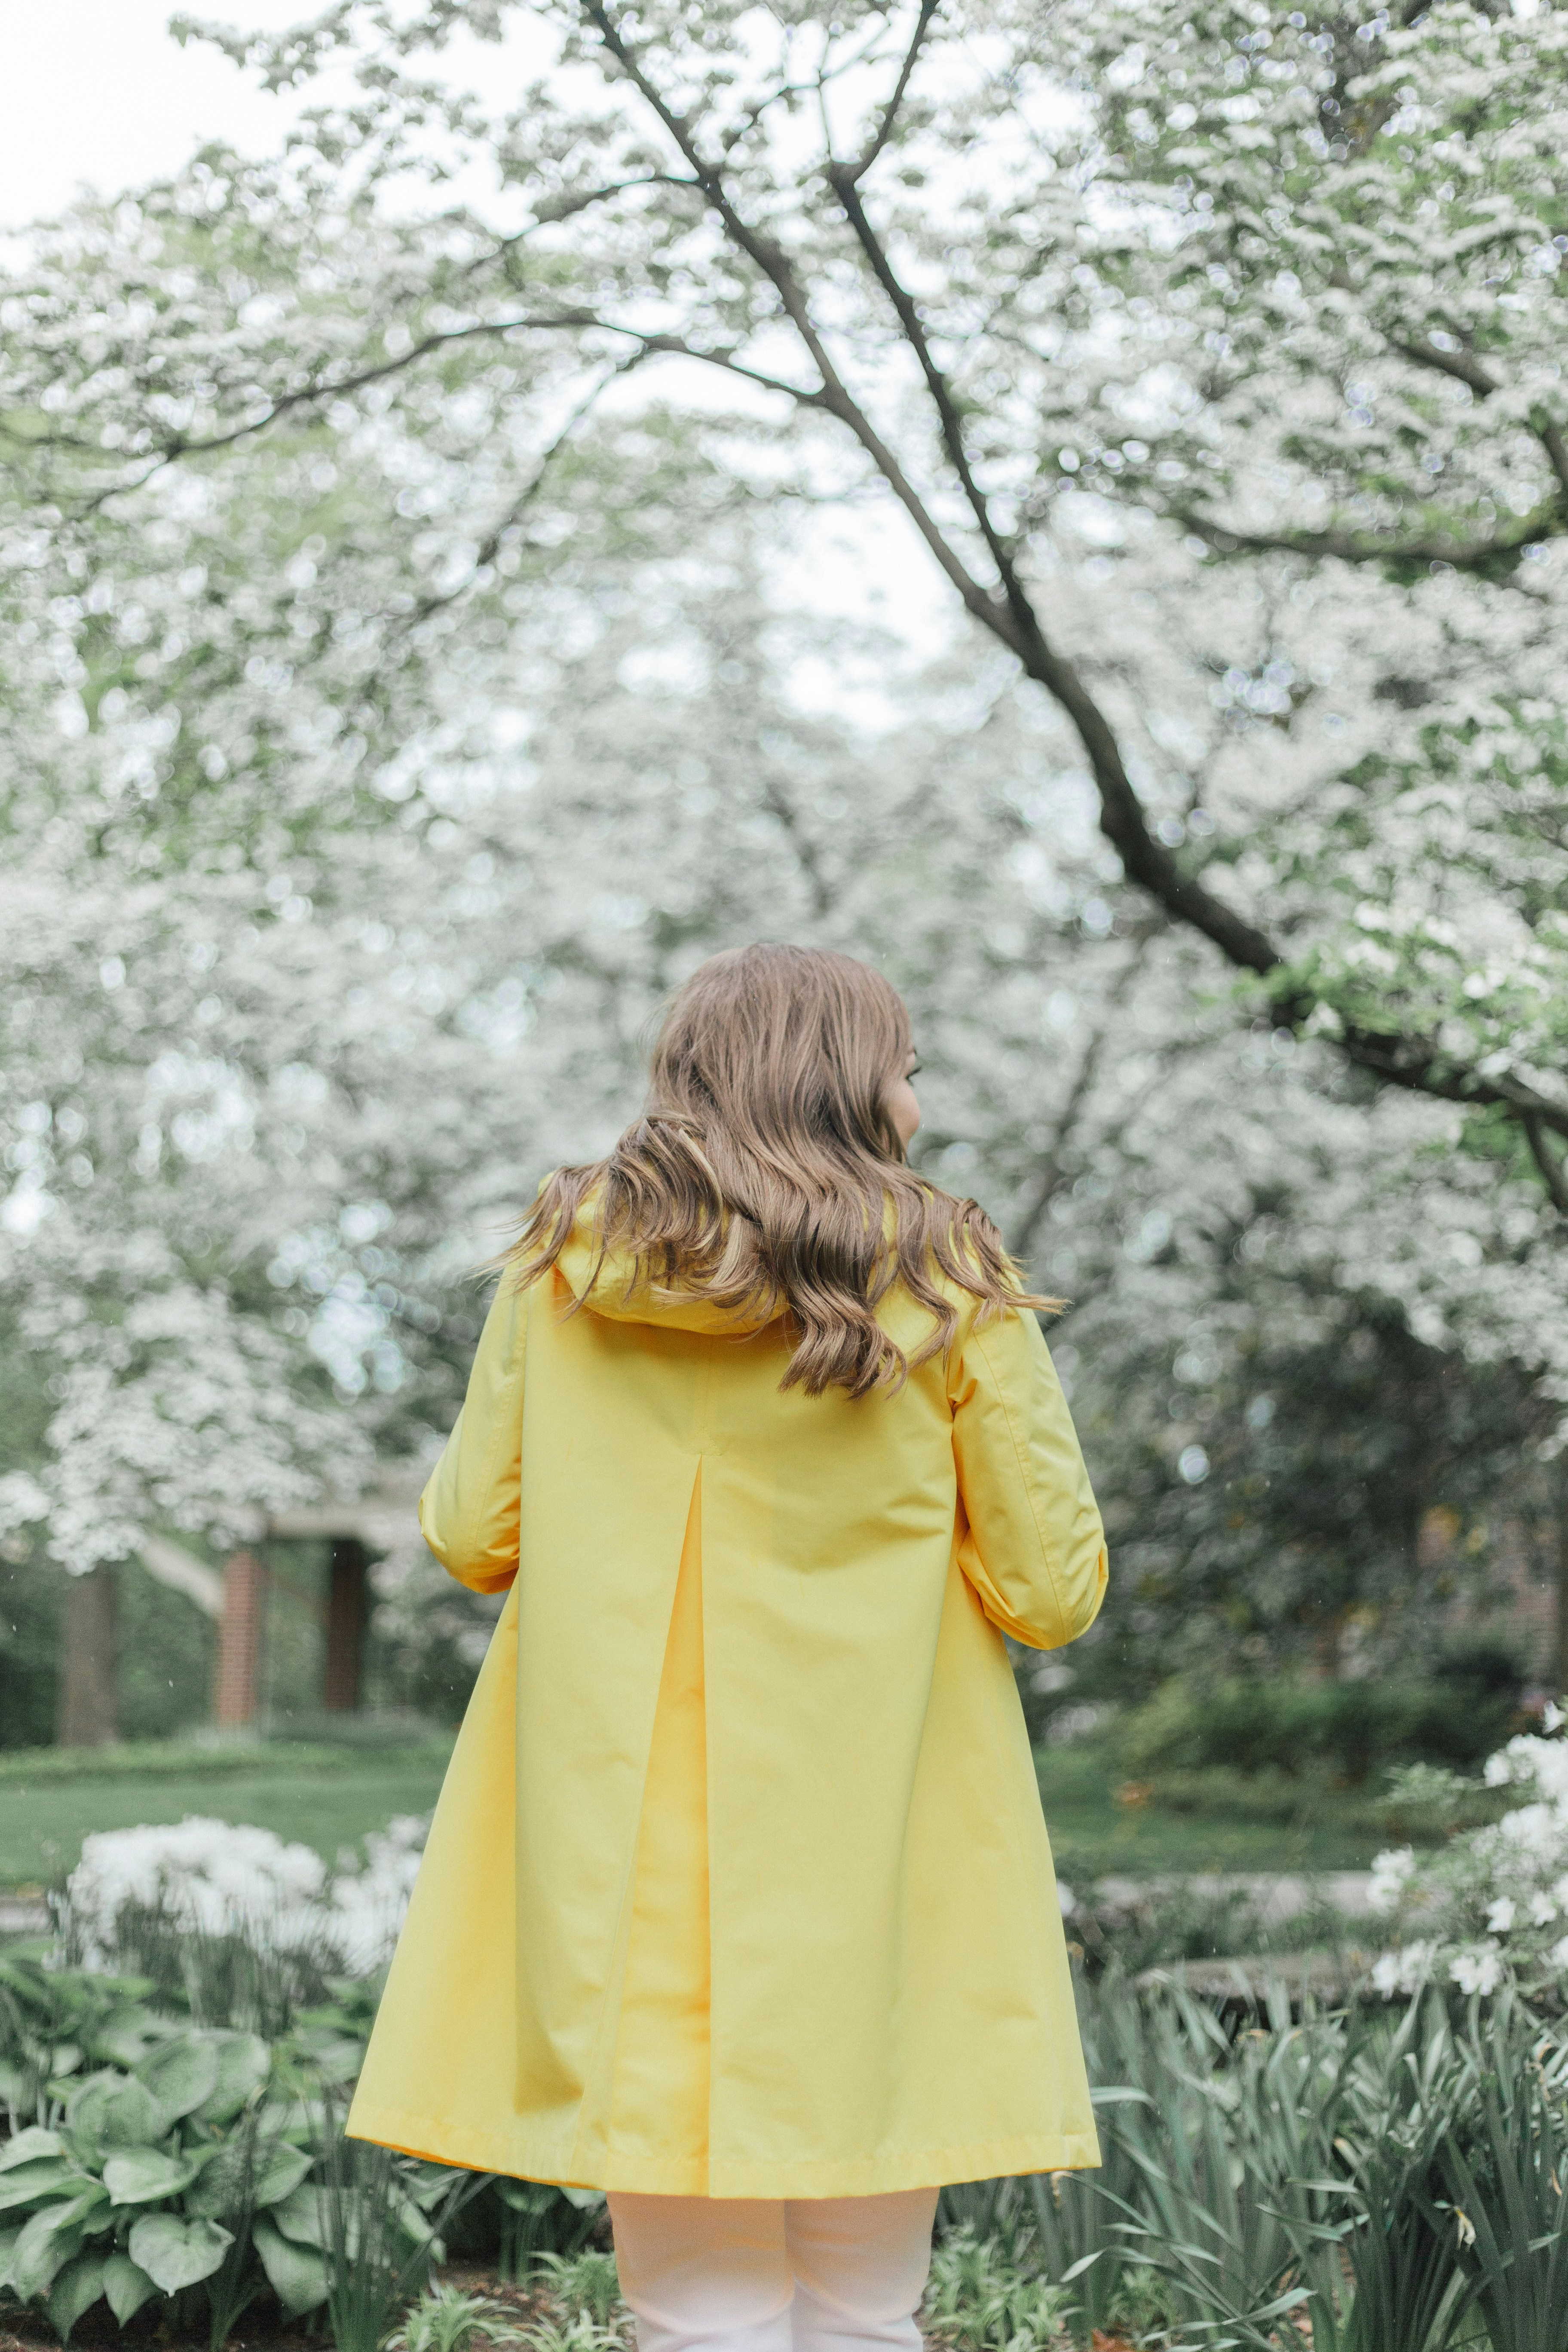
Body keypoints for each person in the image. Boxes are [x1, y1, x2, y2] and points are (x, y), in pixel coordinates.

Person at [348, 942, 1109, 2352]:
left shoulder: (567, 1266)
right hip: (882, 1853)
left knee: (694, 2318)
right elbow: (1050, 1588)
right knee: (868, 2317)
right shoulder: (947, 1272)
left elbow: (469, 1533)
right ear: (847, 1083)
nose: (918, 1106)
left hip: (633, 1861)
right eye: (907, 1071)